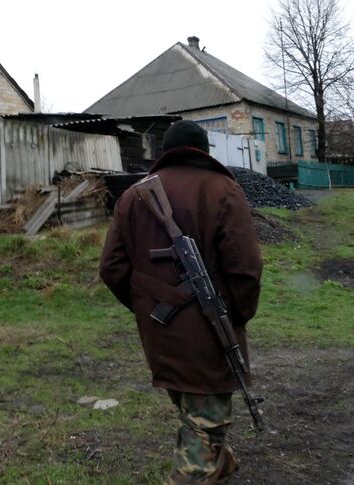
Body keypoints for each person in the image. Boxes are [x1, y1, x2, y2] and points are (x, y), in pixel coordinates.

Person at [99, 120, 263, 484]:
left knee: (196, 415)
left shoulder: (132, 197)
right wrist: (236, 316)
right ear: (204, 151)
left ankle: (219, 465)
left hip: (160, 332)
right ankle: (202, 469)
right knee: (205, 422)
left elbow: (112, 268)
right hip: (212, 335)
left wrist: (149, 308)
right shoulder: (224, 190)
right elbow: (246, 270)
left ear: (165, 152)